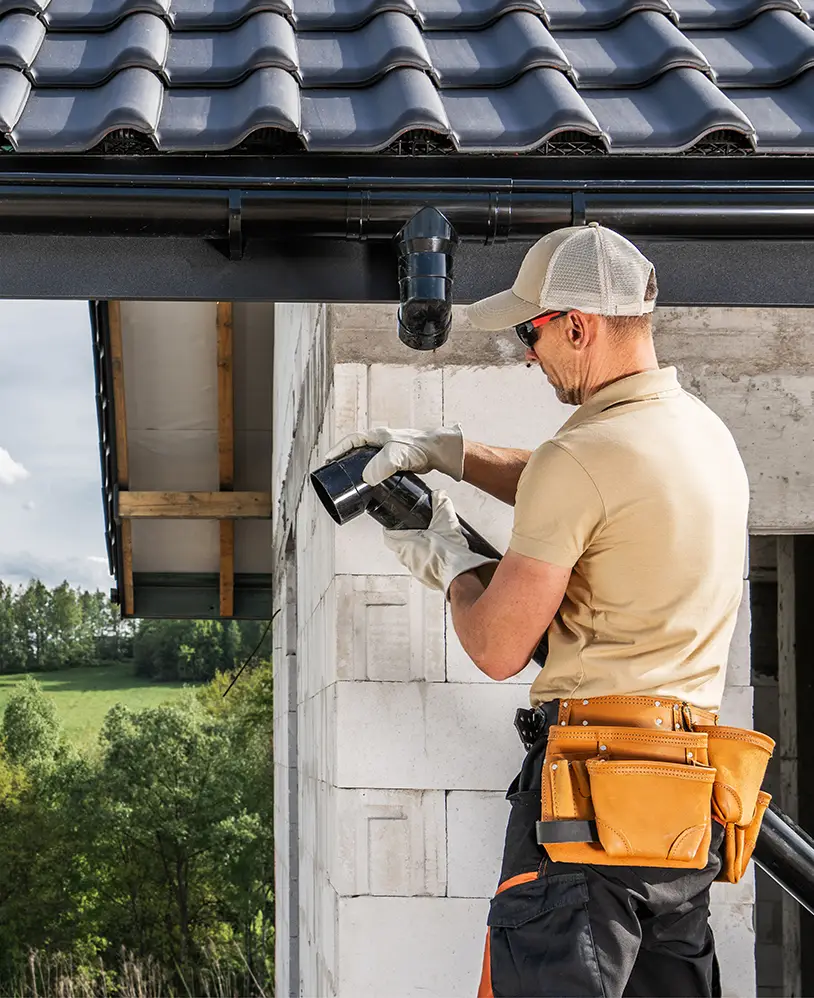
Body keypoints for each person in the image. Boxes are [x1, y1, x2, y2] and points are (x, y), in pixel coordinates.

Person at [325, 223, 750, 998]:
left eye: (533, 330)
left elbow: (497, 645)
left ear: (579, 326)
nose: (527, 352)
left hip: (583, 816)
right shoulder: (702, 436)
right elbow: (591, 497)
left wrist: (446, 557)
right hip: (682, 815)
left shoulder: (581, 457)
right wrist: (441, 448)